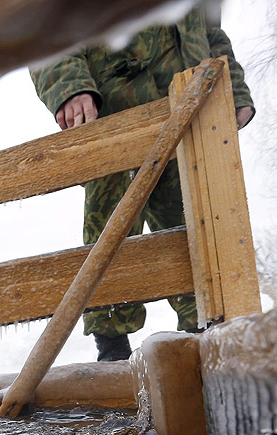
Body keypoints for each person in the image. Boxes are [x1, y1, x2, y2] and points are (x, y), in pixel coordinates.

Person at [30, 4, 255, 361]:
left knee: (196, 222)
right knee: (113, 231)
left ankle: (207, 332)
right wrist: (71, 89)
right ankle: (112, 347)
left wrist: (236, 91)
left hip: (191, 113)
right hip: (116, 119)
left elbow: (211, 33)